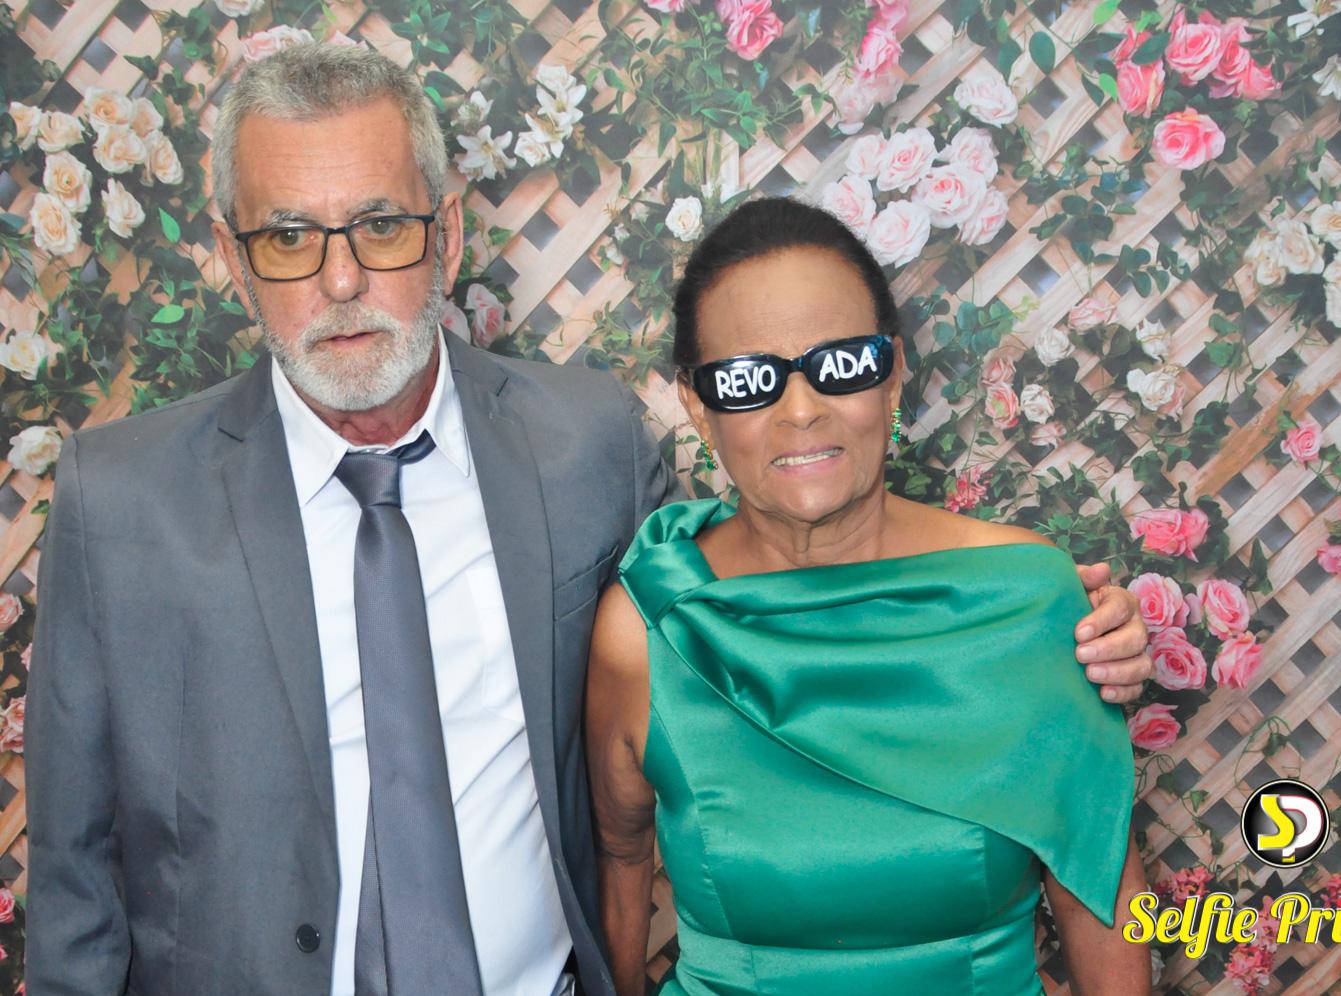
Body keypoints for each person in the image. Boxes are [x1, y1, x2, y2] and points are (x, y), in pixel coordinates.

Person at [26, 45, 1149, 996]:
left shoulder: (585, 442)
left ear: (446, 233)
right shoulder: (120, 499)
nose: (342, 280)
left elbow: (771, 569)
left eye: (380, 225)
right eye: (288, 237)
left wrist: (1055, 627)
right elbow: (74, 873)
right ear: (233, 257)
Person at [587, 198, 1151, 995]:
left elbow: (1099, 888)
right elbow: (619, 861)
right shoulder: (652, 628)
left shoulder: (1025, 604)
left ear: (892, 376)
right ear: (698, 407)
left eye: (841, 364)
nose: (801, 409)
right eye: (748, 380)